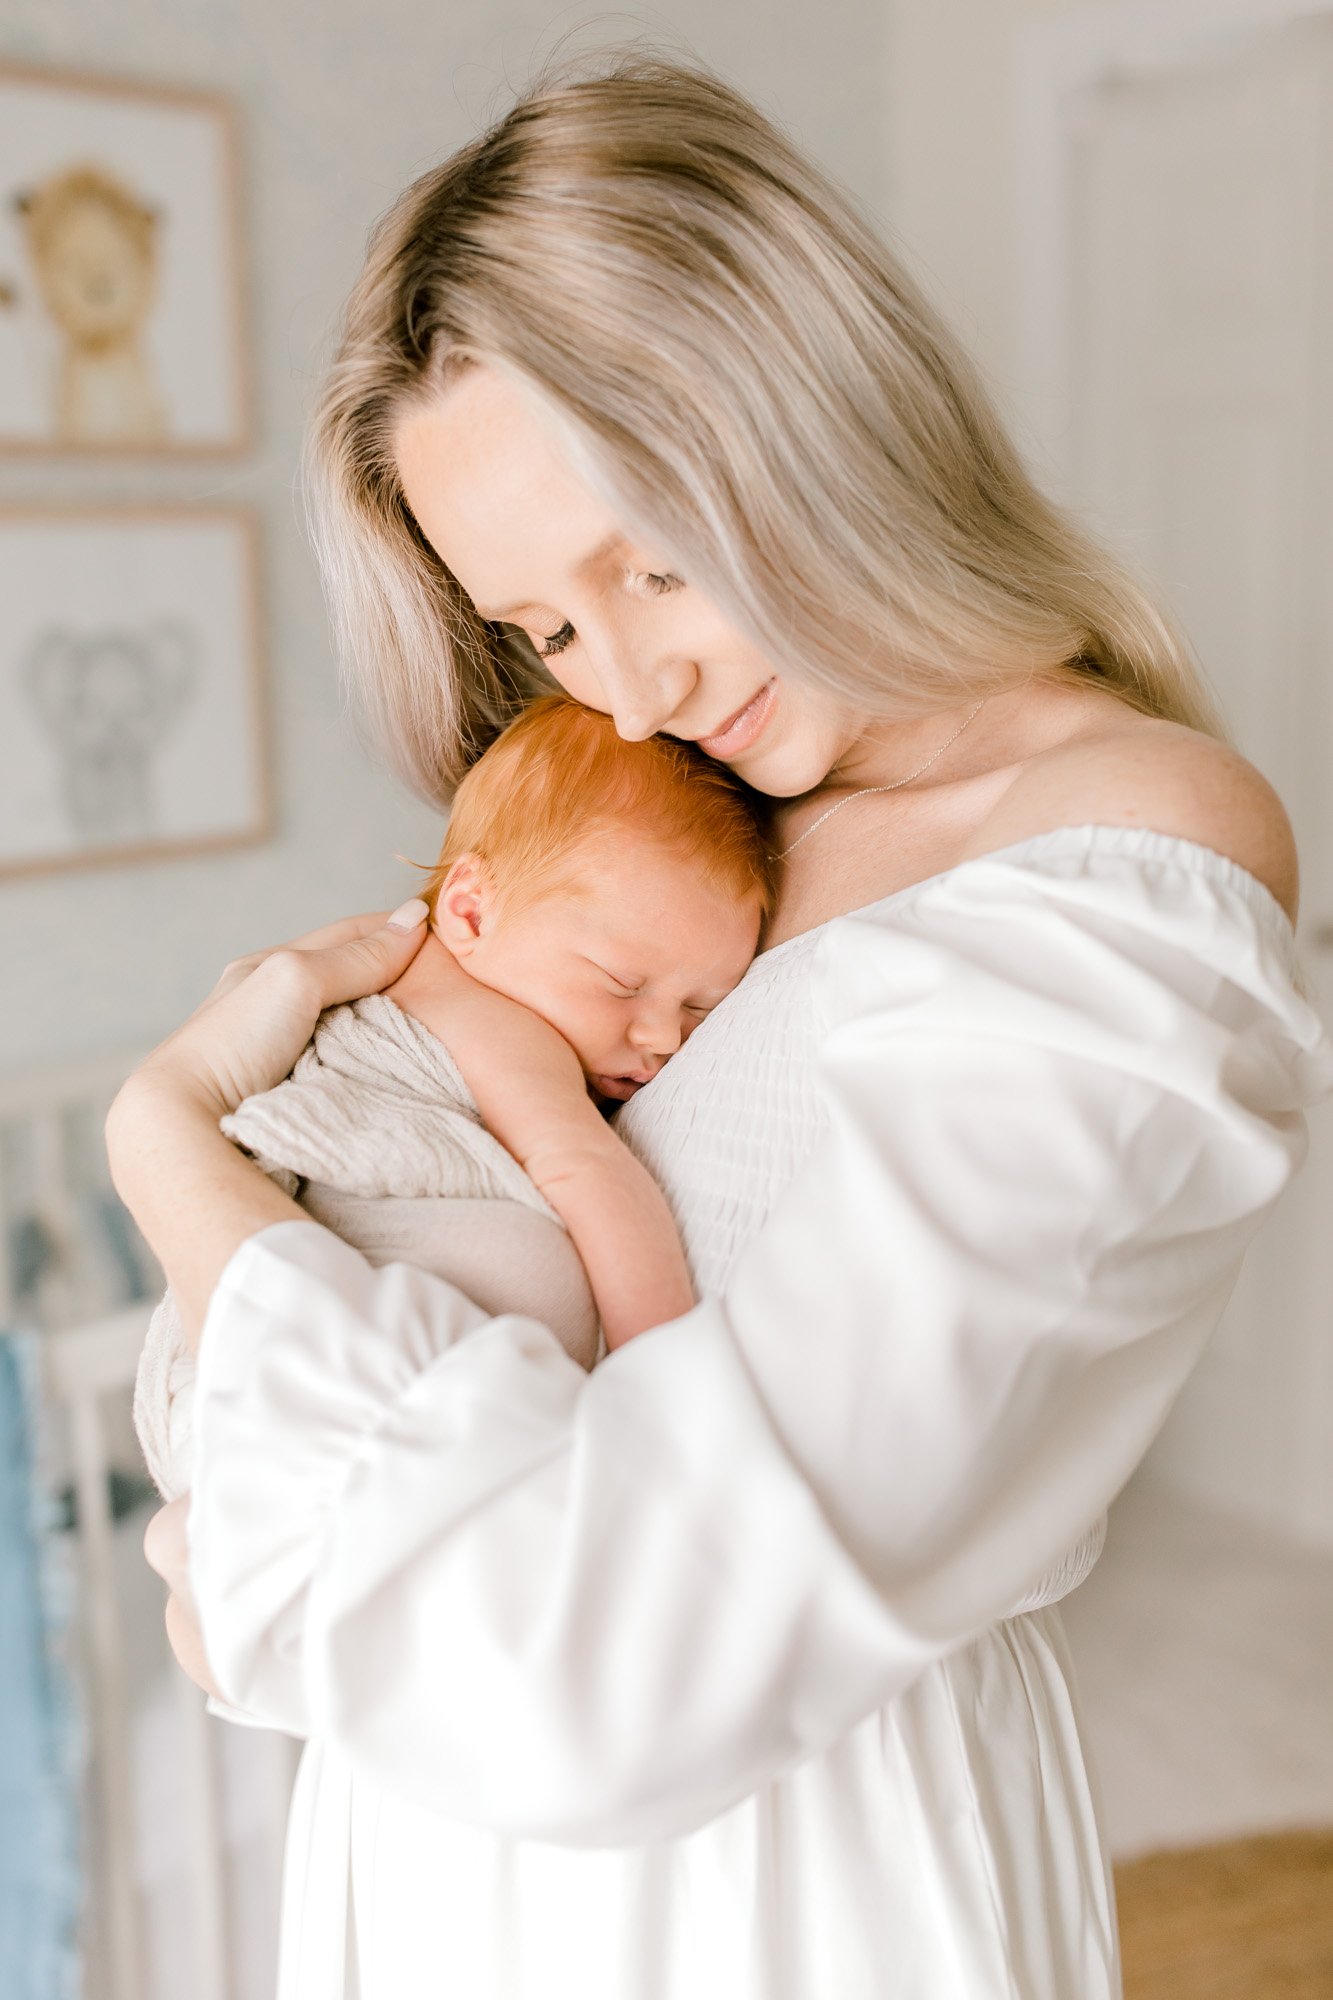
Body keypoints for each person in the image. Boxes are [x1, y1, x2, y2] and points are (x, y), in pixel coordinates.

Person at [112, 49, 1333, 2000]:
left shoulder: (1128, 862)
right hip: (433, 1824)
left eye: (653, 560)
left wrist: (165, 1150)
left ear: (817, 417)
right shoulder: (705, 826)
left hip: (768, 1875)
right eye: (550, 628)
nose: (632, 675)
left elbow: (624, 1661)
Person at [131, 691, 772, 1512]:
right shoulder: (492, 1021)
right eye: (623, 984)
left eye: (700, 1007)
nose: (662, 1037)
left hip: (241, 1389)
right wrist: (660, 1390)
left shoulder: (415, 964)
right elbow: (592, 1178)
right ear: (468, 910)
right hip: (337, 1364)